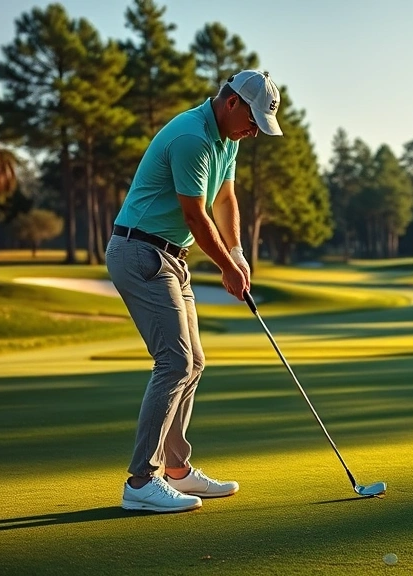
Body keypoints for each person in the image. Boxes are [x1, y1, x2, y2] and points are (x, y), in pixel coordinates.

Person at [106, 70, 283, 513]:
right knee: (174, 361)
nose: (254, 131)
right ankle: (141, 481)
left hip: (170, 257)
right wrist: (227, 269)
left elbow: (225, 200)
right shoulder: (192, 138)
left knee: (194, 361)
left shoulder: (227, 140)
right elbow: (196, 216)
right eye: (253, 120)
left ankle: (178, 471)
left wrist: (238, 252)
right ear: (232, 104)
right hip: (140, 251)